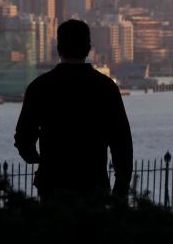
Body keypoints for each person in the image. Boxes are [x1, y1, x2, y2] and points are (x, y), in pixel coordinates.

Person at [14, 19, 133, 201]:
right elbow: (122, 142)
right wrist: (121, 188)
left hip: (53, 184)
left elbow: (23, 136)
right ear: (88, 48)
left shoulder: (40, 87)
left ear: (58, 48)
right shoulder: (106, 87)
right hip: (94, 184)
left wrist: (35, 157)